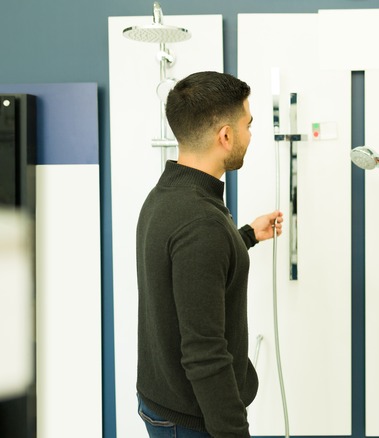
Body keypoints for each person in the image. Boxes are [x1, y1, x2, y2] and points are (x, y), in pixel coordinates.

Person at [135, 71, 282, 438]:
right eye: (248, 124)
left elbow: (188, 272)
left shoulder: (166, 194)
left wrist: (245, 236)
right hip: (192, 419)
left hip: (163, 399)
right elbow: (204, 352)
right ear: (226, 136)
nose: (251, 134)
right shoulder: (201, 223)